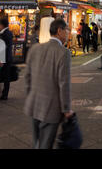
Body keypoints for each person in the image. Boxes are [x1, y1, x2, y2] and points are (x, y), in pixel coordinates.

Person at [24, 19, 73, 149]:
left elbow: (27, 77)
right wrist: (66, 108)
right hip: (51, 108)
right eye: (66, 30)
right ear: (59, 31)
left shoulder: (35, 49)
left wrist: (31, 95)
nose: (68, 33)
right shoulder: (63, 53)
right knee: (46, 144)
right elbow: (64, 83)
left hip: (34, 104)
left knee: (38, 142)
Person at [0, 17, 13, 100]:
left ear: (2, 25)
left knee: (5, 77)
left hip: (4, 59)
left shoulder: (5, 34)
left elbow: (3, 48)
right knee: (5, 77)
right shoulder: (8, 33)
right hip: (6, 58)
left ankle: (4, 94)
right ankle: (4, 94)